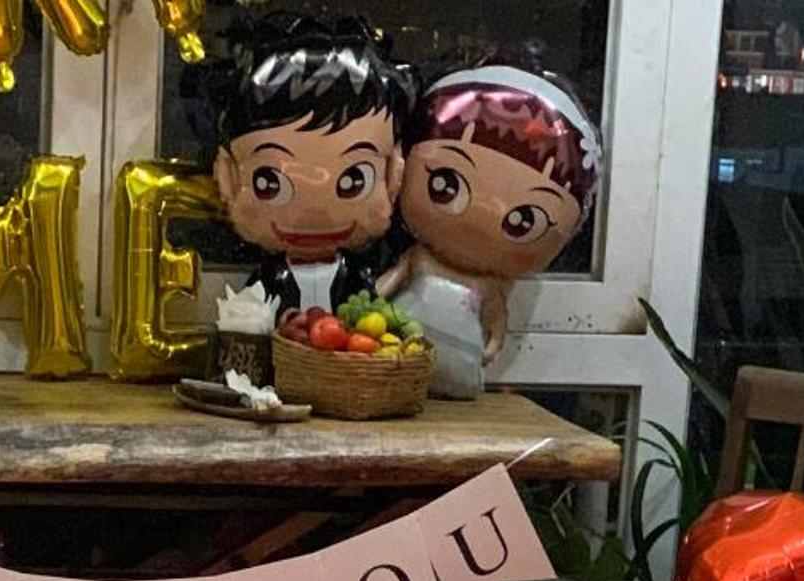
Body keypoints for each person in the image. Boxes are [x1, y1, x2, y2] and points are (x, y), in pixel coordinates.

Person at [382, 65, 600, 398]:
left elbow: (496, 325)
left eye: (522, 221)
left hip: (459, 359)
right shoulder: (419, 258)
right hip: (392, 353)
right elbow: (384, 288)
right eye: (445, 185)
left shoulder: (489, 286)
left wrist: (489, 351)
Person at [211, 13, 416, 320]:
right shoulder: (270, 279)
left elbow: (370, 321)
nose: (315, 212)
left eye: (354, 180)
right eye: (269, 182)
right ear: (228, 177)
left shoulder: (355, 278)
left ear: (392, 175)